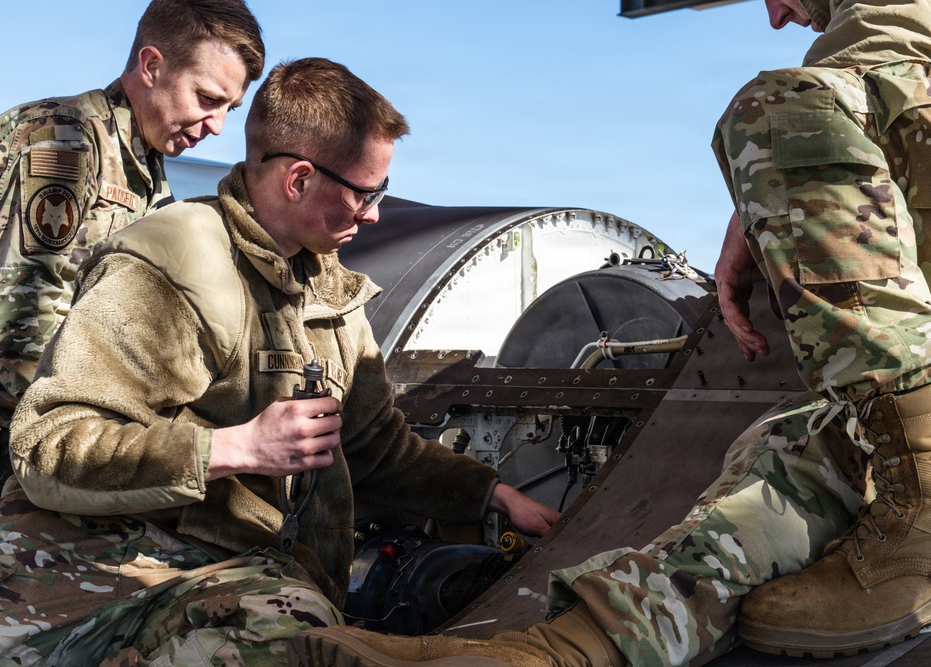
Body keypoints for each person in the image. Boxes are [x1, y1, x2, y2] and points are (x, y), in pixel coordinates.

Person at [287, 0, 931, 665]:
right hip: (895, 404)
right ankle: (554, 650)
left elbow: (888, 56)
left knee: (779, 113)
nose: (775, 16)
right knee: (767, 490)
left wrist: (771, 173)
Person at [0, 57, 558, 666]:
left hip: (232, 577)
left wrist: (491, 494)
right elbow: (52, 443)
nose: (373, 213)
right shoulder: (171, 265)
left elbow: (373, 448)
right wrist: (234, 449)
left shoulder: (330, 297)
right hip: (85, 563)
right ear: (300, 180)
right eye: (365, 193)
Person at [0, 0, 264, 589]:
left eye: (230, 109)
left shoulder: (143, 168)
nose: (217, 125)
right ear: (152, 65)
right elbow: (20, 331)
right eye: (208, 99)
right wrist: (133, 437)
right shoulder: (58, 149)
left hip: (36, 437)